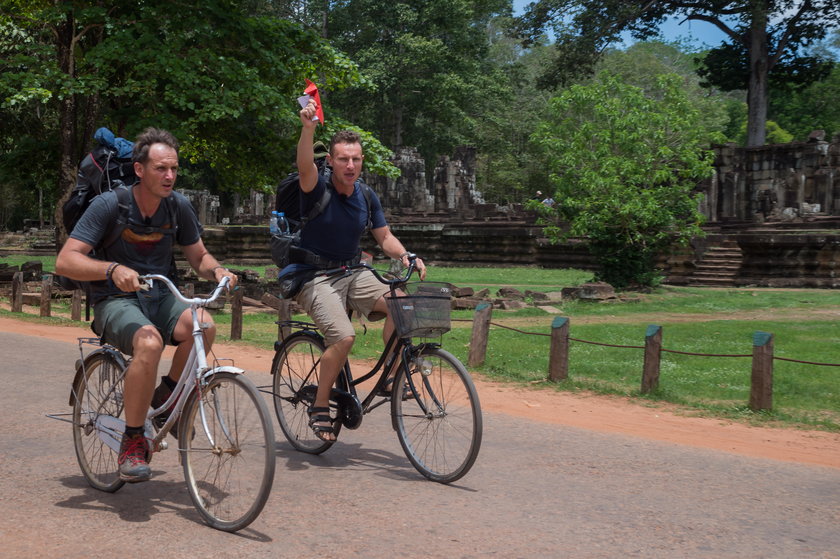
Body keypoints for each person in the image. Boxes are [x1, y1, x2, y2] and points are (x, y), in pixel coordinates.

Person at [56, 128, 238, 482]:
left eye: (173, 169)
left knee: (204, 325)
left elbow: (198, 255)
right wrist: (111, 269)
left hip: (160, 294)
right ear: (140, 170)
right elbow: (66, 261)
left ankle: (167, 392)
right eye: (160, 168)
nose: (169, 176)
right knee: (149, 342)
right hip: (115, 300)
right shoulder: (110, 204)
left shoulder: (178, 205)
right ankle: (133, 440)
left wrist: (217, 271)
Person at [280, 98, 426, 442]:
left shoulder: (366, 195)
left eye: (355, 159)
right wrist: (307, 129)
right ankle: (319, 405)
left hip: (352, 272)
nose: (349, 165)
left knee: (400, 303)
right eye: (343, 159)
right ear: (331, 161)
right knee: (343, 337)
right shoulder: (317, 186)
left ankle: (391, 376)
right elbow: (304, 166)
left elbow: (384, 236)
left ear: (362, 162)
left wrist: (406, 256)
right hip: (313, 276)